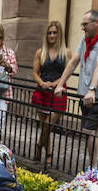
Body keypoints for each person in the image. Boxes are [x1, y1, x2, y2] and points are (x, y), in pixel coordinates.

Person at [55, 9, 98, 168]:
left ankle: (94, 167)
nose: (82, 28)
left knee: (88, 130)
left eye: (85, 24)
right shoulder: (86, 39)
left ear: (96, 23)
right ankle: (94, 166)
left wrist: (92, 90)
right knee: (91, 130)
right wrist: (60, 83)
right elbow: (73, 62)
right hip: (85, 93)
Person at [29, 20, 68, 163]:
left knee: (48, 125)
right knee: (45, 125)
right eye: (49, 33)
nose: (52, 35)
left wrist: (55, 84)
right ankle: (49, 154)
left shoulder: (66, 52)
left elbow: (67, 73)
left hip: (58, 92)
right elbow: (35, 73)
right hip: (42, 92)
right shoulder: (40, 52)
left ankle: (39, 146)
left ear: (59, 34)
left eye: (55, 33)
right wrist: (42, 83)